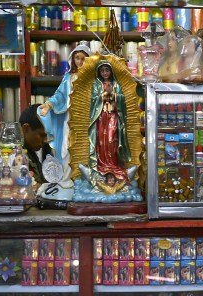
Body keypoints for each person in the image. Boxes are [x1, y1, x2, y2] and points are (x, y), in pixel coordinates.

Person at [38, 45, 91, 188]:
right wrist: (49, 104)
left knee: (86, 147)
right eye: (77, 58)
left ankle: (85, 180)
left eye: (83, 58)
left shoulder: (92, 79)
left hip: (87, 118)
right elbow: (60, 95)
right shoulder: (69, 77)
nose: (80, 61)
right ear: (73, 59)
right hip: (71, 117)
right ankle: (66, 178)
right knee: (66, 147)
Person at [86, 60, 131, 189]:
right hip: (101, 117)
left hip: (113, 116)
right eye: (102, 71)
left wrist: (114, 94)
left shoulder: (116, 84)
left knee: (112, 140)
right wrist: (104, 94)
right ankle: (101, 165)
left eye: (107, 70)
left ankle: (113, 165)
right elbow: (94, 100)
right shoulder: (97, 84)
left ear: (111, 72)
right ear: (99, 72)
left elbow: (122, 99)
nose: (105, 73)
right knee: (102, 141)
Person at [19, 104, 53, 187]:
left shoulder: (29, 150)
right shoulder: (9, 154)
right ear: (25, 129)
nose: (46, 140)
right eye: (42, 135)